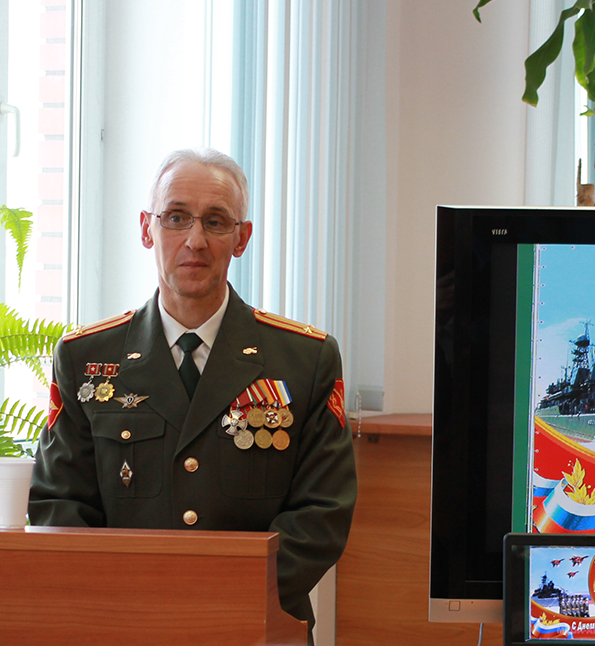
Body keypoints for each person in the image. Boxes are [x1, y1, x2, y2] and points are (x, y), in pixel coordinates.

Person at [28, 148, 356, 644]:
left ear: (242, 238)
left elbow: (322, 514)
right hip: (123, 628)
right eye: (176, 217)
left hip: (256, 628)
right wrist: (138, 608)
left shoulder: (305, 359)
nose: (195, 240)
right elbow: (60, 506)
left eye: (216, 222)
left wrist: (215, 601)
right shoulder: (85, 358)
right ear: (147, 229)